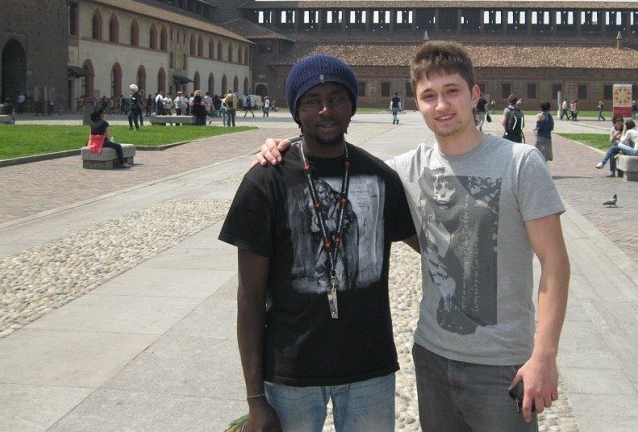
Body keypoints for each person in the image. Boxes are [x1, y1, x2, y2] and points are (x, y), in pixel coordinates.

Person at [256, 41, 571, 429]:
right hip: (432, 357)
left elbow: (555, 262)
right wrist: (283, 148)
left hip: (503, 364)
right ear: (416, 103)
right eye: (429, 96)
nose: (441, 105)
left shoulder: (520, 163)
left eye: (452, 91)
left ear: (475, 94)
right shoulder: (402, 171)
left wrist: (544, 355)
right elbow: (338, 162)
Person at [219, 54, 418, 432]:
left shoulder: (380, 177)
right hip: (291, 371)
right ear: (297, 110)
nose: (326, 110)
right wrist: (255, 399)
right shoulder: (266, 181)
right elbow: (250, 295)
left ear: (351, 106)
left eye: (337, 99)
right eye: (313, 101)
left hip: (369, 367)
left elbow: (433, 245)